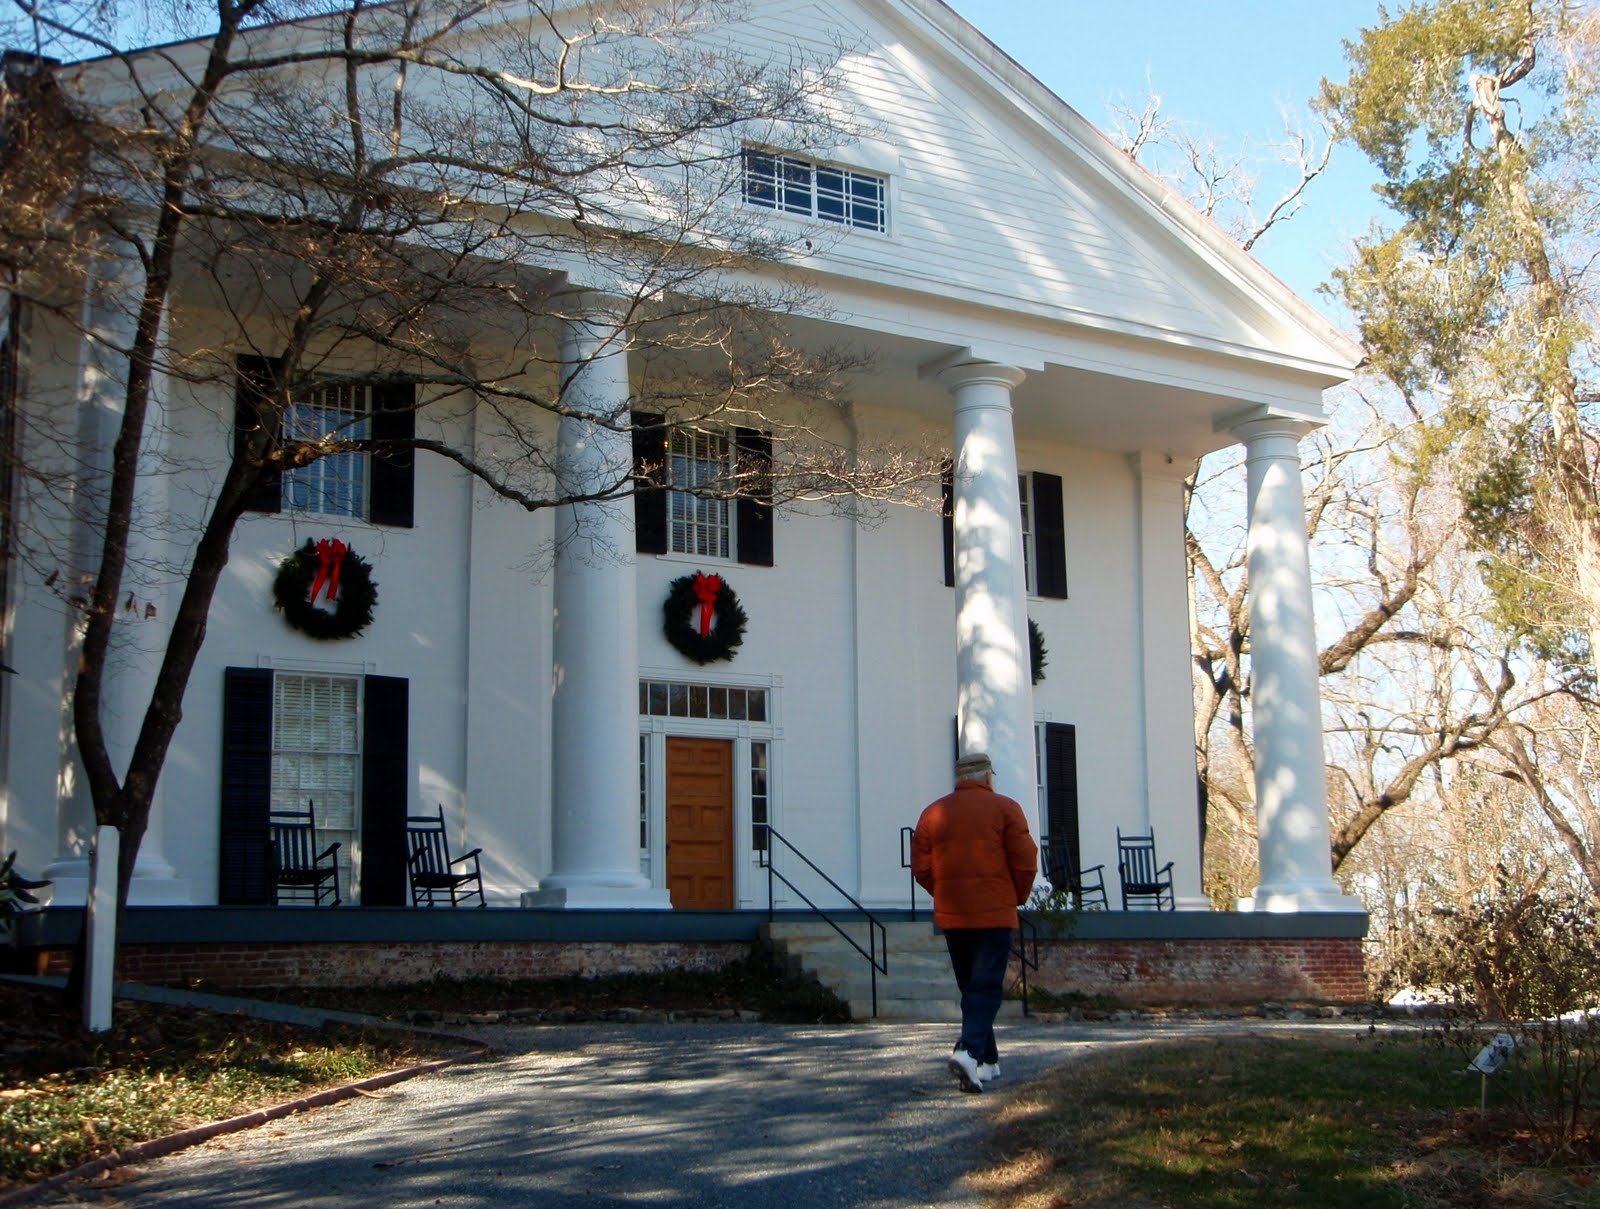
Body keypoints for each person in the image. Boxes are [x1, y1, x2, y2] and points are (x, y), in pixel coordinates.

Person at [911, 751, 1038, 1093]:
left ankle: (987, 1061)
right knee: (986, 986)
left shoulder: (932, 814)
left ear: (959, 779)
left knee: (972, 985)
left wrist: (943, 892)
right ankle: (967, 1051)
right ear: (987, 777)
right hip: (994, 910)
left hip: (953, 912)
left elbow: (921, 867)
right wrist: (1017, 896)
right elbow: (1026, 862)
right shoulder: (1006, 809)